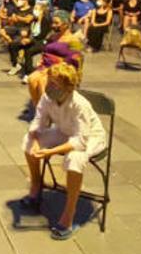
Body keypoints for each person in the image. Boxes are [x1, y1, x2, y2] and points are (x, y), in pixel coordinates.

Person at [21, 63, 106, 240]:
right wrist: (36, 141)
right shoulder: (47, 97)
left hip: (91, 137)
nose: (49, 86)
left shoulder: (79, 104)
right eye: (49, 81)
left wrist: (50, 152)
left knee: (75, 158)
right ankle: (36, 186)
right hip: (64, 131)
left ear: (68, 87)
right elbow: (38, 122)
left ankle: (69, 213)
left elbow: (80, 141)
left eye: (55, 84)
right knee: (27, 141)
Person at [27, 11, 85, 104]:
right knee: (32, 79)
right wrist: (42, 60)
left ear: (66, 24)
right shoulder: (52, 36)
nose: (53, 25)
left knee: (43, 82)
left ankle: (49, 112)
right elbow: (46, 50)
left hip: (61, 69)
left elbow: (77, 58)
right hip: (46, 66)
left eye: (57, 23)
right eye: (53, 23)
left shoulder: (74, 40)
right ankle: (38, 109)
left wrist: (55, 67)